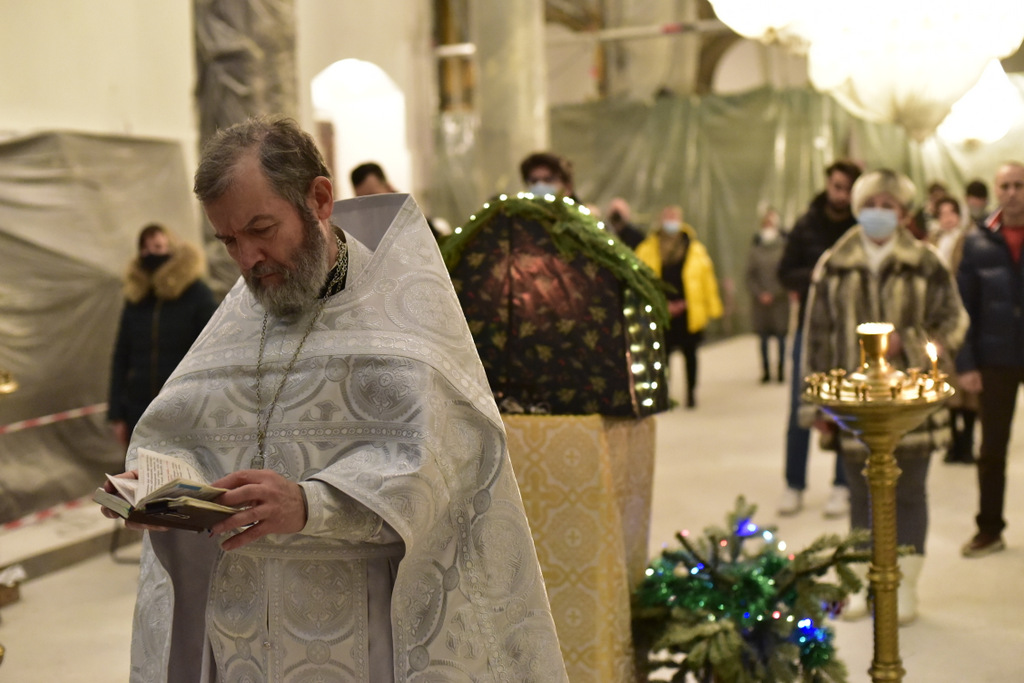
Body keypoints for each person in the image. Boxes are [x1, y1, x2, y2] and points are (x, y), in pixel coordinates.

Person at [101, 116, 567, 682]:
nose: (248, 259)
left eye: (261, 229)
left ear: (319, 200)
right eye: (229, 241)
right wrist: (157, 488)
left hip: (359, 631)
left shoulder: (402, 318)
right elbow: (178, 431)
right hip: (243, 637)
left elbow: (448, 465)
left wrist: (311, 503)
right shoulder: (237, 320)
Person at [802, 169, 968, 624]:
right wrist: (815, 403)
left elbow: (954, 320)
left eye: (888, 205)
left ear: (904, 212)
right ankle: (861, 582)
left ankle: (904, 585)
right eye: (871, 204)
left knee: (909, 492)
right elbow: (815, 335)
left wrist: (908, 343)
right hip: (854, 404)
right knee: (860, 495)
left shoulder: (926, 262)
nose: (879, 212)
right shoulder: (834, 263)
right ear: (858, 209)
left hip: (911, 402)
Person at [776, 160, 861, 517]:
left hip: (850, 330)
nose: (840, 194)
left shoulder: (860, 227)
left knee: (846, 406)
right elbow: (784, 271)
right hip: (810, 330)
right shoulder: (807, 224)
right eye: (836, 186)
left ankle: (842, 484)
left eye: (847, 188)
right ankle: (794, 484)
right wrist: (814, 276)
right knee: (802, 405)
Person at [957, 161, 1024, 558]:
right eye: (1006, 186)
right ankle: (989, 529)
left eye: (1019, 185)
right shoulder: (976, 242)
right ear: (996, 191)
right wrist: (966, 363)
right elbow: (963, 307)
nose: (1013, 192)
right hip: (995, 356)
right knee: (992, 448)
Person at [107, 224, 217, 447]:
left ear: (172, 249)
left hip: (183, 410)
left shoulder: (197, 294)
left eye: (157, 247)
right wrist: (116, 413)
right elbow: (121, 356)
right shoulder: (136, 298)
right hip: (139, 410)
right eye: (144, 248)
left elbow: (213, 353)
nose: (150, 254)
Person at [635, 205, 723, 408]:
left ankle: (691, 393)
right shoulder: (647, 249)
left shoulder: (695, 249)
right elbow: (641, 281)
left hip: (689, 311)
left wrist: (712, 307)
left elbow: (707, 280)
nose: (671, 222)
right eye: (667, 217)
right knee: (662, 356)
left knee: (690, 354)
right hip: (661, 311)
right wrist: (662, 304)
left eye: (674, 217)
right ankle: (663, 393)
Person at [929, 197, 979, 464]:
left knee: (969, 387)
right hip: (939, 321)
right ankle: (951, 441)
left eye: (952, 212)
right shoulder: (931, 243)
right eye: (942, 213)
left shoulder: (971, 240)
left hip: (966, 317)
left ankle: (967, 441)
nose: (947, 217)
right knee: (946, 382)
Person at [745, 206, 789, 384]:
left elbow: (786, 274)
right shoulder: (755, 250)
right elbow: (749, 276)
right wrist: (760, 293)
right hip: (760, 303)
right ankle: (765, 371)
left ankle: (781, 371)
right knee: (762, 338)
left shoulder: (784, 248)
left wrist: (775, 292)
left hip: (780, 301)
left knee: (781, 337)